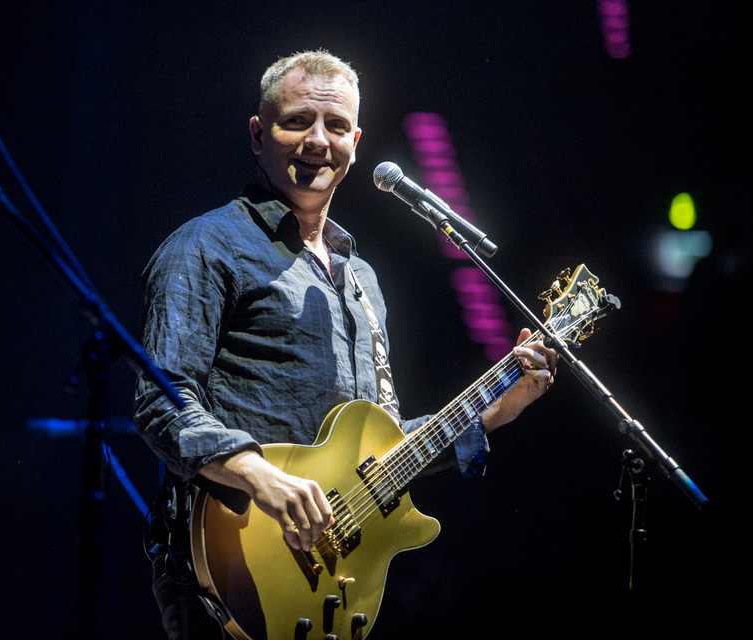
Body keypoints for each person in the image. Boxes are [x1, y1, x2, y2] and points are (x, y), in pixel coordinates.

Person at [133, 50, 558, 640]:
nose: (317, 140)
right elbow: (162, 402)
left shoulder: (362, 281)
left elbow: (376, 456)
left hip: (333, 589)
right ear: (258, 134)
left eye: (335, 127)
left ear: (355, 143)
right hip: (234, 574)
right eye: (297, 121)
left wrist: (493, 411)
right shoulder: (205, 247)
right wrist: (259, 474)